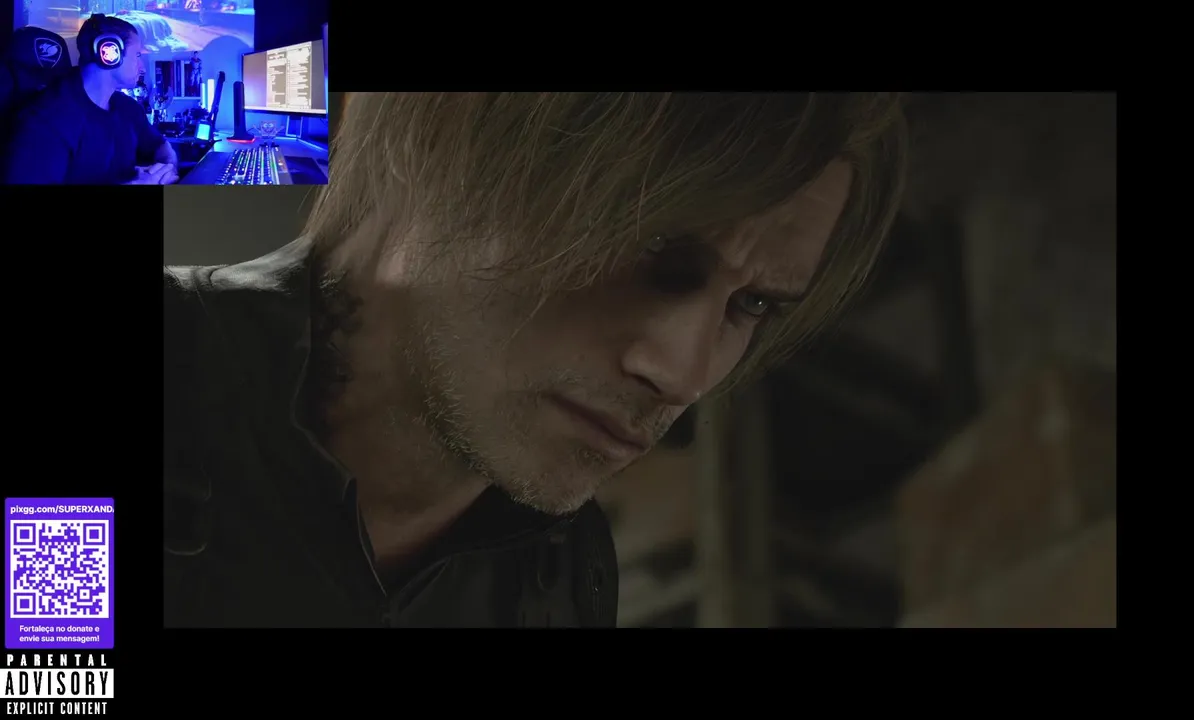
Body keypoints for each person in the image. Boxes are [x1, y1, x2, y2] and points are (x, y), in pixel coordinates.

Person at [163, 92, 908, 627]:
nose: (684, 374)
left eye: (753, 304)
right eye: (650, 245)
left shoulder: (558, 573)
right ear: (447, 143)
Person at [3, 14, 178, 185]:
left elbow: (160, 146)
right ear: (110, 52)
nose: (142, 68)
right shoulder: (46, 121)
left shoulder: (128, 109)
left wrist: (168, 167)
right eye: (137, 55)